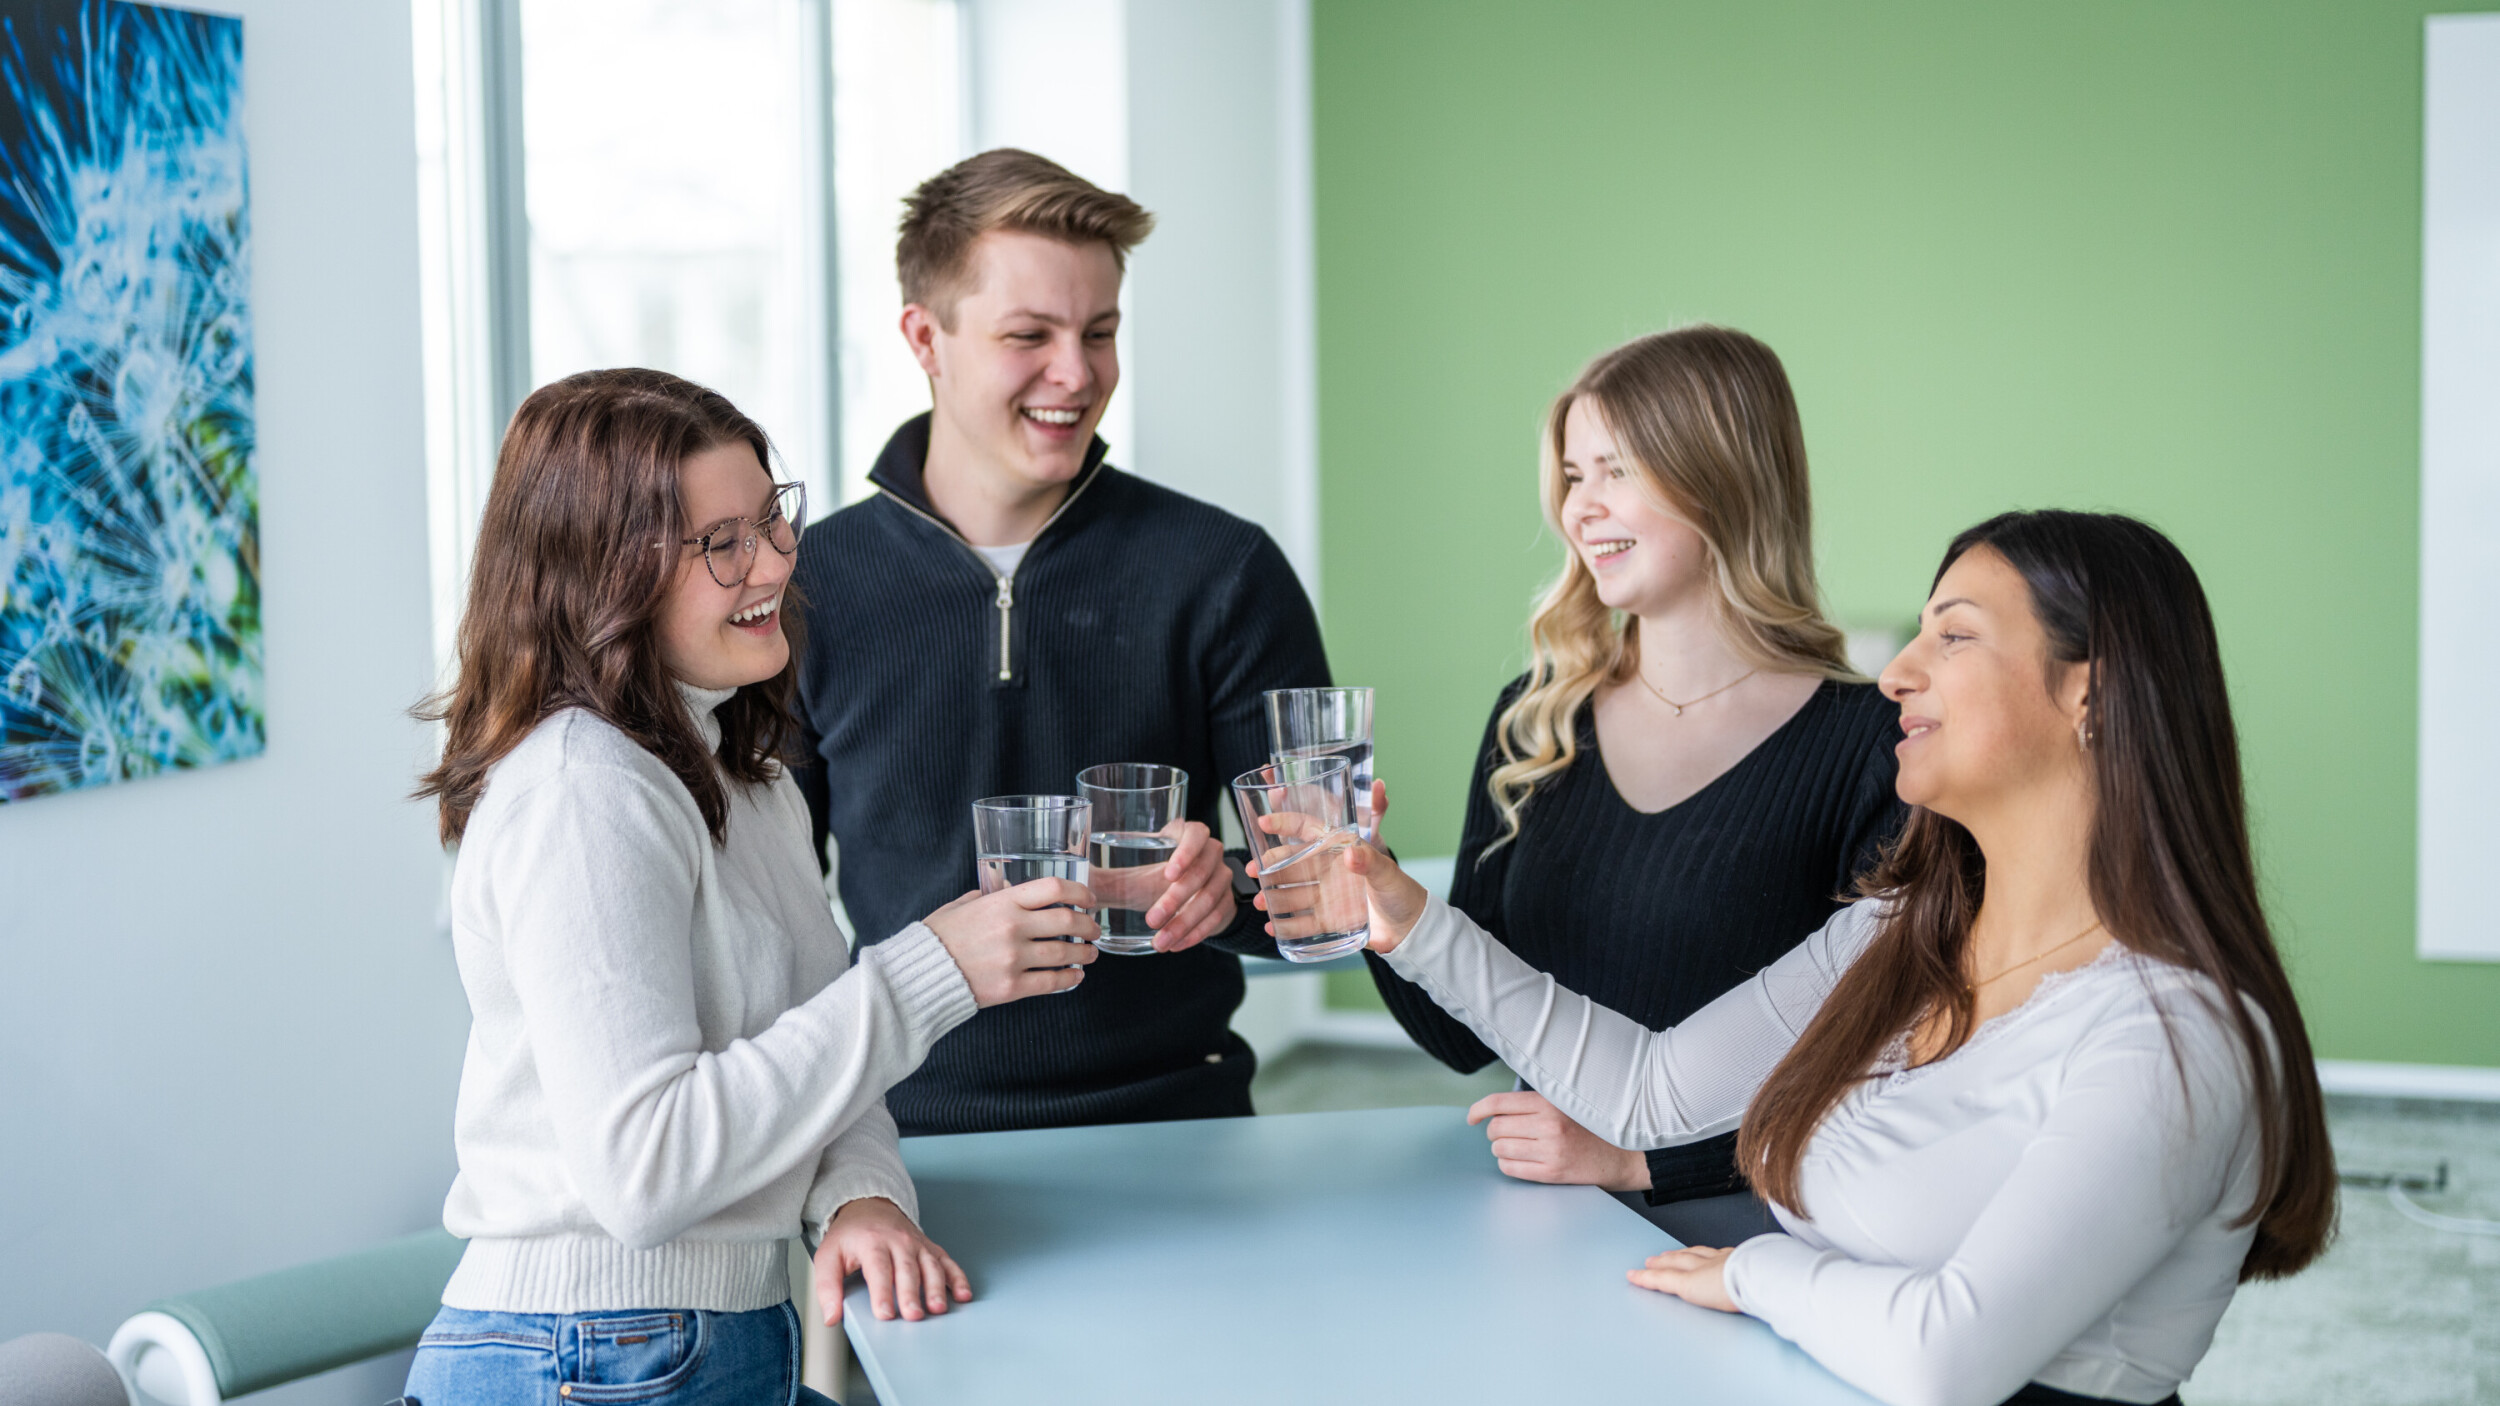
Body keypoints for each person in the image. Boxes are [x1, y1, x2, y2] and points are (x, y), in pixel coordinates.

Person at [1330, 511, 2337, 1406]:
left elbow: (1952, 1358)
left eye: (1952, 634)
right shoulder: (1897, 935)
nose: (1897, 669)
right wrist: (1405, 918)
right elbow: (1642, 1089)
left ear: (2092, 694)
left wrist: (1749, 1272)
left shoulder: (2174, 1033)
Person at [406, 370, 1102, 1403]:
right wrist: (932, 970)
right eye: (721, 541)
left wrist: (862, 1195)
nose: (777, 558)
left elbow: (820, 1052)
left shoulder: (742, 771)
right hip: (586, 1356)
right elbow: (645, 1171)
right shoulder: (582, 791)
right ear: (601, 576)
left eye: (773, 517)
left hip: (690, 1339)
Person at [792, 148, 1332, 1136]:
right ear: (926, 337)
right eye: (1027, 335)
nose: (1076, 374)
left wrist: (1228, 895)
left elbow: (1322, 892)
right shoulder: (805, 591)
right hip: (904, 1144)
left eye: (1100, 332)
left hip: (1185, 1120)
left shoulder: (1222, 570)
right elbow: (763, 918)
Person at [1363, 325, 1904, 1245]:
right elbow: (1463, 1040)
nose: (1580, 509)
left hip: (1764, 1235)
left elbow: (1883, 1071)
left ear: (1722, 476)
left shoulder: (1874, 739)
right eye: (1574, 476)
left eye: (1617, 470)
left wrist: (1639, 1161)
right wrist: (1376, 904)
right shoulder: (1534, 722)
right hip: (1542, 1220)